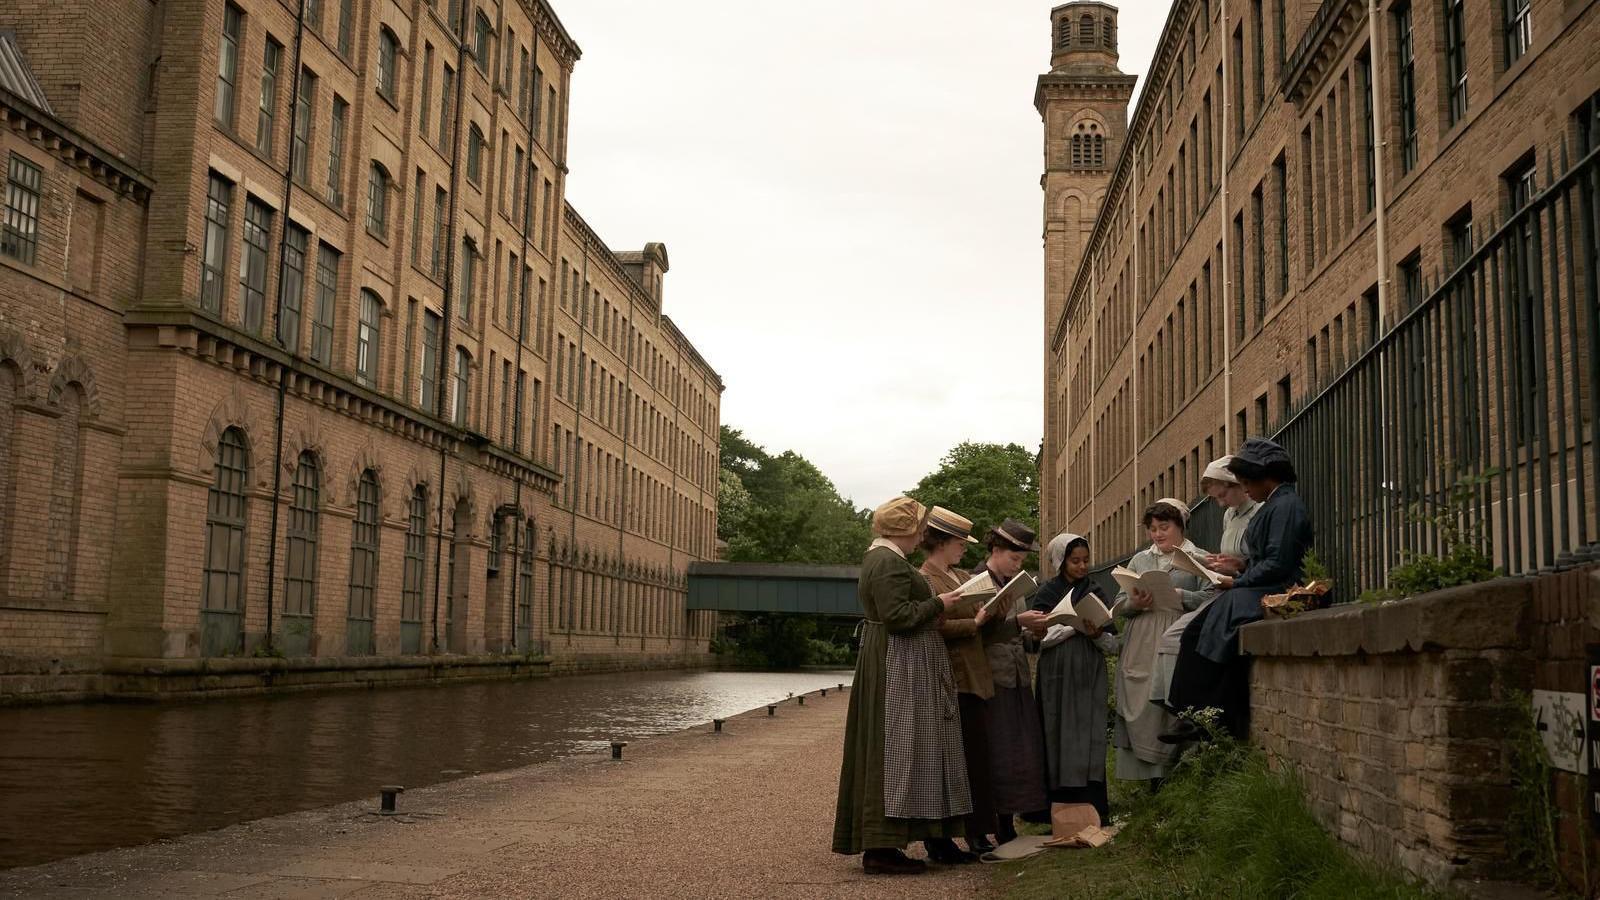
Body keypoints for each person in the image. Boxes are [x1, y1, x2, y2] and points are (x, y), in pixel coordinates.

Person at [833, 496, 971, 875]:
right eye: (919, 527)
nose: (923, 534)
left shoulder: (884, 559)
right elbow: (897, 617)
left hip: (894, 657)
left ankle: (890, 843)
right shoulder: (888, 562)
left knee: (894, 745)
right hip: (897, 661)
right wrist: (939, 603)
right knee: (891, 746)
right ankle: (881, 848)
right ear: (906, 530)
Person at [1163, 438, 1314, 741]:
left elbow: (1278, 563)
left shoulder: (1284, 506)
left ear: (1264, 478)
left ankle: (1206, 712)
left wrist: (1238, 580)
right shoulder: (1276, 504)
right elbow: (1268, 560)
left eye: (1247, 482)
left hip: (1278, 588)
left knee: (1214, 627)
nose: (1246, 490)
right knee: (1199, 630)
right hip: (1261, 584)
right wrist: (1242, 568)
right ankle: (1194, 711)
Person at [1112, 499, 1210, 785]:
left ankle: (1178, 777)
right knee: (1141, 703)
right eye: (1152, 528)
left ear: (1180, 526)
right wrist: (1134, 602)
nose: (1157, 534)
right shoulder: (1140, 560)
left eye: (1164, 527)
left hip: (1178, 636)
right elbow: (1119, 604)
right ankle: (1149, 780)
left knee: (1170, 701)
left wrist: (1183, 596)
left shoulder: (1198, 558)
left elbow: (1213, 596)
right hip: (1141, 639)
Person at [1150, 457, 1260, 707]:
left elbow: (1258, 561)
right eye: (1216, 499)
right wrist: (1216, 562)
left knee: (1194, 635)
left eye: (1222, 496)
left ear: (1237, 484)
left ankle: (1192, 707)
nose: (1220, 504)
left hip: (1242, 589)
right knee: (1176, 635)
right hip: (1225, 586)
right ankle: (1172, 702)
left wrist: (1237, 567)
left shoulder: (1258, 512)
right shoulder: (1229, 515)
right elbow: (1233, 556)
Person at [1024, 532, 1117, 826]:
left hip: (1089, 668)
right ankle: (1051, 805)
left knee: (1087, 727)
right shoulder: (1047, 592)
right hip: (1056, 671)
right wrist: (1058, 629)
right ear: (1060, 561)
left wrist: (1096, 633)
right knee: (1055, 727)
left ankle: (1091, 801)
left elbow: (1112, 639)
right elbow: (1032, 640)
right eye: (1075, 561)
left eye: (1086, 560)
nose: (1082, 566)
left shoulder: (1096, 590)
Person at [917, 506, 994, 861]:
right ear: (943, 541)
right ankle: (956, 836)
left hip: (973, 675)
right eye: (961, 541)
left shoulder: (959, 574)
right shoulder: (926, 579)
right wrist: (973, 624)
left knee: (976, 759)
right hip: (953, 676)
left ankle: (974, 832)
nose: (965, 548)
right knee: (959, 759)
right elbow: (933, 626)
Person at [975, 519, 1050, 846]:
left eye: (1021, 561)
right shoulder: (978, 581)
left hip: (1016, 675)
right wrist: (1019, 622)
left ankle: (1006, 823)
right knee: (994, 752)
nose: (1017, 566)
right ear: (996, 550)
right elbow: (977, 631)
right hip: (991, 676)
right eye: (1013, 559)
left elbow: (1015, 633)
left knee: (1015, 752)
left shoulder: (1013, 583)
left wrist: (1036, 631)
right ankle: (984, 826)